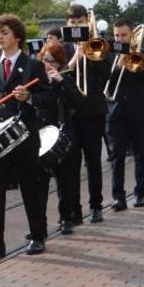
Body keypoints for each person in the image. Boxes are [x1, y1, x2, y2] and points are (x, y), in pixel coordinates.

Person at [0, 14, 51, 260]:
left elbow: (47, 97)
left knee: (29, 187)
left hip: (24, 135)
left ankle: (37, 236)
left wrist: (29, 98)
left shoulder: (33, 65)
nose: (0, 38)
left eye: (5, 33)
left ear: (17, 36)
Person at [64, 4, 110, 223]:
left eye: (80, 21)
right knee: (71, 165)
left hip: (93, 112)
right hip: (71, 115)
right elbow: (58, 74)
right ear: (67, 24)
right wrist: (76, 56)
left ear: (87, 23)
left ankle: (96, 206)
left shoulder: (97, 46)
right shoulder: (61, 47)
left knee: (93, 162)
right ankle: (74, 209)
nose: (76, 25)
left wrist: (92, 54)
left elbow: (106, 74)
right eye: (72, 22)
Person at [36, 41, 83, 235]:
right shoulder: (37, 80)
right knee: (40, 183)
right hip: (42, 133)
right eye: (46, 60)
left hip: (63, 133)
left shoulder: (67, 78)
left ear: (60, 63)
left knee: (65, 180)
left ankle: (66, 218)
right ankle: (39, 225)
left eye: (53, 61)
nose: (48, 65)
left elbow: (78, 102)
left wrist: (61, 82)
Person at [105, 20, 144, 209]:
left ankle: (140, 193)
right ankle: (119, 197)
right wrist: (118, 65)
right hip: (116, 113)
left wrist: (136, 62)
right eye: (116, 35)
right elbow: (106, 81)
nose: (119, 38)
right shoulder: (109, 55)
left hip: (138, 111)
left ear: (132, 35)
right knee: (117, 156)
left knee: (140, 153)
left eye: (123, 35)